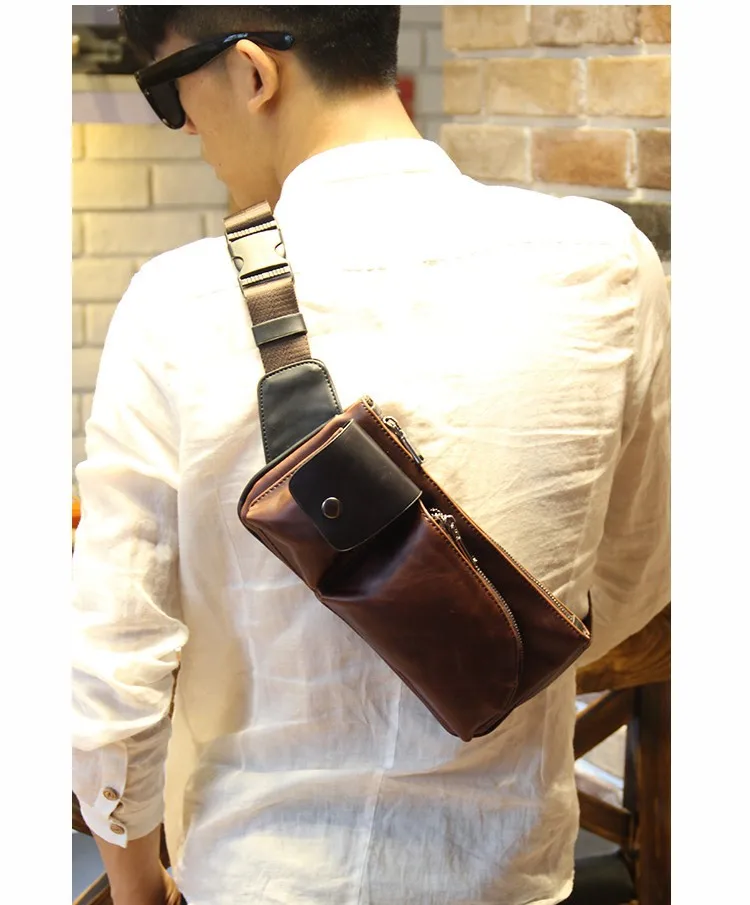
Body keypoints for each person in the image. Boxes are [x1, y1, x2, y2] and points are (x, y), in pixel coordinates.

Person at [72, 7, 670, 905]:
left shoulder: (176, 304)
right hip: (509, 876)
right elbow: (634, 573)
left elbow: (116, 664)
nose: (183, 125)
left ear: (252, 73)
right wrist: (475, 652)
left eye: (169, 91)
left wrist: (136, 889)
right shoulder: (610, 264)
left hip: (257, 877)